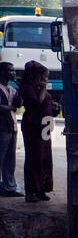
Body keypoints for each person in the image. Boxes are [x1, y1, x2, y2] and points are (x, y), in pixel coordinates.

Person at [18, 61, 57, 203]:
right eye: (44, 76)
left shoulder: (39, 87)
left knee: (44, 158)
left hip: (45, 125)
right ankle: (31, 191)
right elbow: (37, 103)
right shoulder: (28, 88)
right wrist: (43, 89)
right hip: (33, 125)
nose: (46, 79)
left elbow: (47, 104)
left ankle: (41, 189)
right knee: (34, 158)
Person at [0, 63, 21, 197]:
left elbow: (18, 104)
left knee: (10, 159)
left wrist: (20, 87)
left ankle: (9, 186)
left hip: (11, 126)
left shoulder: (11, 89)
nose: (14, 73)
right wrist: (9, 108)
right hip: (2, 127)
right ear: (2, 72)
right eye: (11, 71)